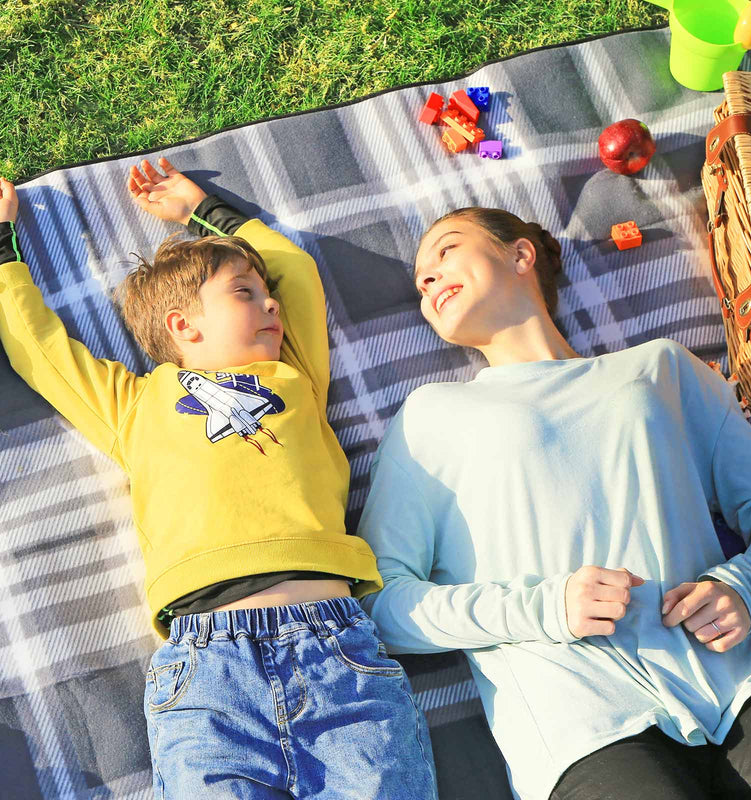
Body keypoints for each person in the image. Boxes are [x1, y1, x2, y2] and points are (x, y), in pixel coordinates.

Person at [0, 163, 438, 800]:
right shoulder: (133, 406)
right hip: (205, 676)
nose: (270, 306)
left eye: (267, 299)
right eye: (244, 294)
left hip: (335, 651)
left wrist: (202, 210)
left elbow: (294, 269)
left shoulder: (294, 375)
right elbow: (39, 350)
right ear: (183, 325)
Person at [356, 206, 751, 800]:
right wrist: (544, 608)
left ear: (520, 255)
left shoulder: (660, 368)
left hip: (741, 688)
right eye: (421, 282)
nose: (429, 279)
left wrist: (749, 585)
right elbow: (381, 605)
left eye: (446, 251)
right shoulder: (429, 417)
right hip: (581, 729)